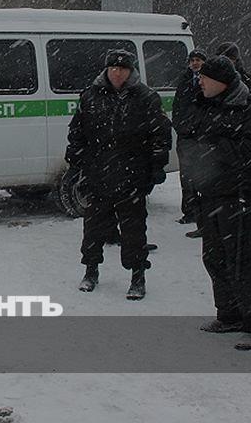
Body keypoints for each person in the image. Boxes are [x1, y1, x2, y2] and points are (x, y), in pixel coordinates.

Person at [184, 54, 251, 350]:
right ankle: (229, 314)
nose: (200, 81)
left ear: (221, 81)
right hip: (208, 195)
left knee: (242, 261)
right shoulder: (203, 104)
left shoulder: (249, 108)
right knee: (214, 257)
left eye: (205, 77)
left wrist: (213, 148)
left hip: (237, 197)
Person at [66, 49, 172, 300]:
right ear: (106, 69)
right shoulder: (90, 96)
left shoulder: (146, 97)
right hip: (98, 174)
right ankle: (91, 270)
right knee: (93, 228)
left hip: (132, 175)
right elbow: (77, 132)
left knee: (133, 230)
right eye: (113, 68)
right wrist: (77, 161)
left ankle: (138, 276)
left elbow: (160, 135)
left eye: (122, 69)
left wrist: (156, 167)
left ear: (130, 71)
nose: (117, 73)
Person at [172, 49, 207, 229]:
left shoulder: (208, 80)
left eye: (198, 60)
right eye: (192, 60)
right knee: (186, 176)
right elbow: (177, 106)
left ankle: (203, 214)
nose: (195, 63)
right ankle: (189, 211)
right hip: (185, 137)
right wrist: (180, 126)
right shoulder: (184, 80)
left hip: (202, 137)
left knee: (203, 175)